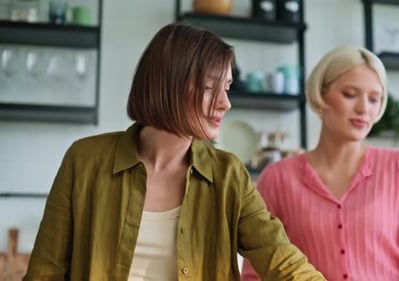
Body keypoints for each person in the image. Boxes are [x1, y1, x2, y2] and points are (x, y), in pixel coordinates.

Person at [23, 23, 326, 281]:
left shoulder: (228, 174)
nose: (225, 103)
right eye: (210, 88)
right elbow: (44, 272)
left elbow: (281, 259)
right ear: (169, 84)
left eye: (228, 88)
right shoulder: (85, 160)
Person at [241, 46, 399, 281]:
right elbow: (255, 275)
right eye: (350, 94)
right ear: (321, 95)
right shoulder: (277, 178)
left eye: (374, 99)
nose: (363, 109)